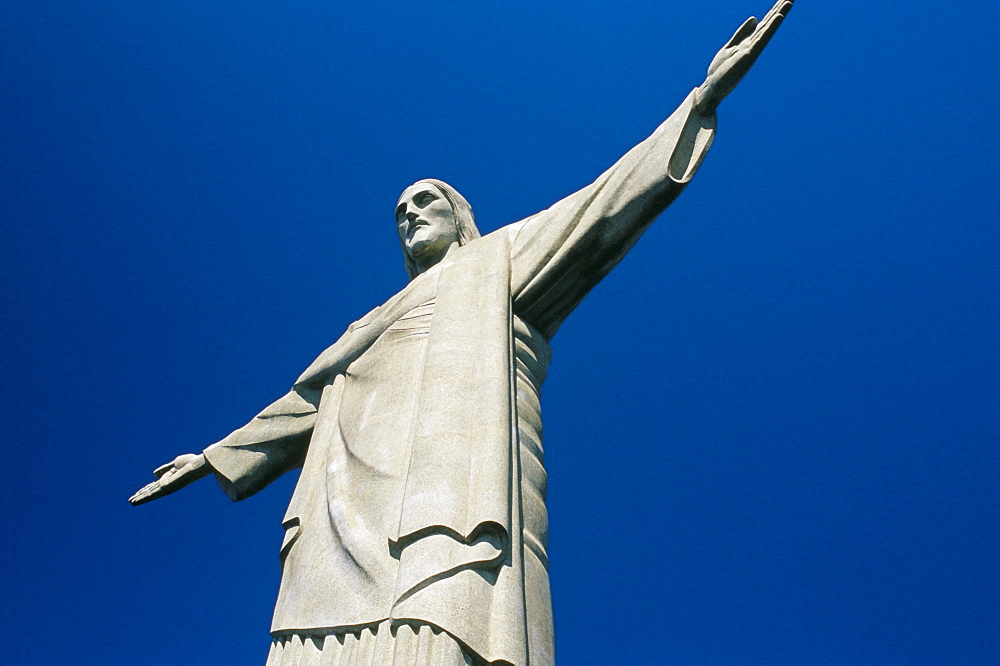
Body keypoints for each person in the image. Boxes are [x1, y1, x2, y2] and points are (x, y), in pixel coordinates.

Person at [130, 3, 794, 664]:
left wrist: (700, 102)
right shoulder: (366, 324)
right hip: (342, 504)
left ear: (459, 216)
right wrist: (215, 456)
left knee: (443, 617)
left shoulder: (498, 262)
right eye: (399, 212)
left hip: (447, 484)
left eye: (426, 201)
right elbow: (305, 402)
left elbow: (602, 207)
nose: (410, 213)